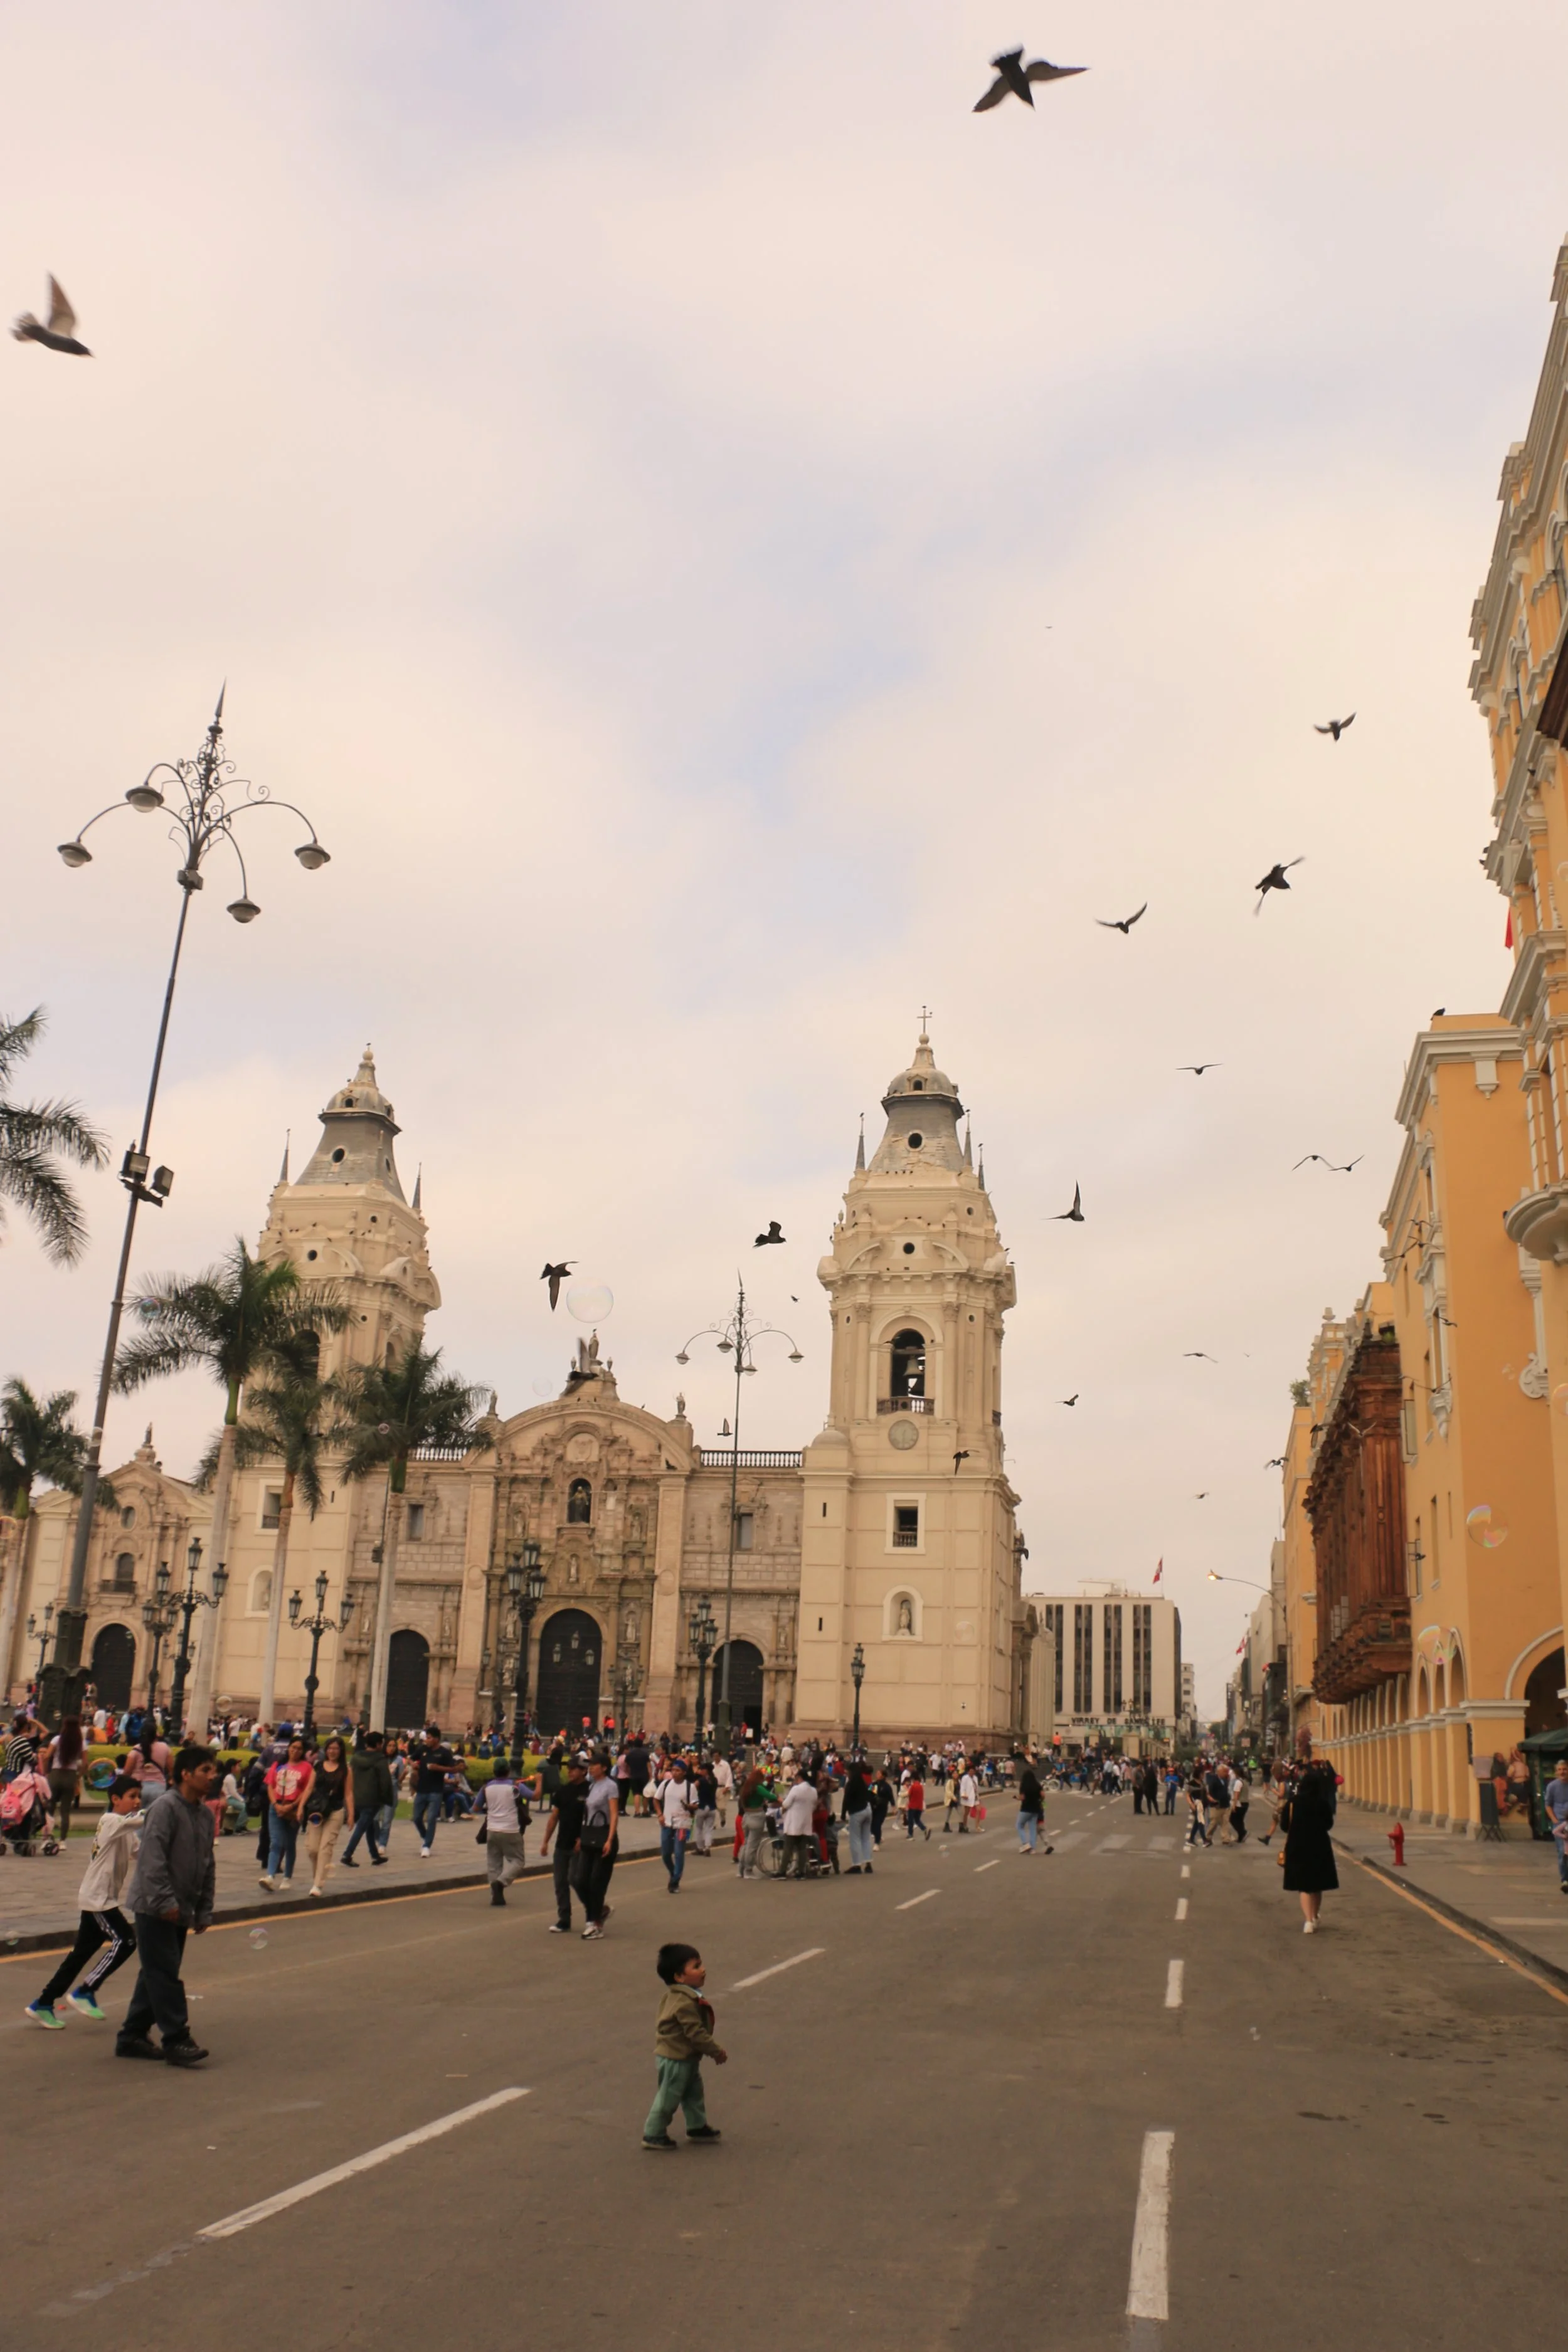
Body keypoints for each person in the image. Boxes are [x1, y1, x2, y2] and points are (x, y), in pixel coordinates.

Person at [117, 1745, 218, 2066]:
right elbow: (152, 1860)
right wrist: (164, 1901)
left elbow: (207, 1863)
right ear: (185, 1774)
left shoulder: (203, 1813)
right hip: (155, 1906)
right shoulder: (165, 1808)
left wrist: (203, 1908)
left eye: (213, 1770)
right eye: (205, 1770)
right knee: (164, 1974)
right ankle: (176, 2038)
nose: (212, 1776)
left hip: (181, 1907)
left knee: (158, 1972)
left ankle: (132, 2035)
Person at [25, 1774, 144, 2029]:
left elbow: (141, 1853)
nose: (137, 1801)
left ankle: (43, 2003)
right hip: (99, 1900)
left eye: (138, 1797)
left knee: (79, 1955)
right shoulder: (110, 1820)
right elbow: (137, 1822)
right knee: (127, 1941)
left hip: (98, 1897)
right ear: (115, 1799)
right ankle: (86, 1990)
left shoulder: (126, 1830)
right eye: (132, 1797)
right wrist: (161, 1813)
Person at [643, 1942, 726, 2151]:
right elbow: (695, 2033)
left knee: (693, 2093)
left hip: (686, 2057)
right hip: (676, 2060)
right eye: (696, 1966)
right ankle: (653, 2133)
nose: (703, 1969)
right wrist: (716, 2051)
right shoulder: (684, 2002)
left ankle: (697, 2126)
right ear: (679, 1977)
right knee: (668, 2097)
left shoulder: (681, 1995)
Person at [1280, 1736, 1338, 1933]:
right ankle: (1315, 1916)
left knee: (1304, 1885)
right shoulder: (1322, 1803)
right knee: (1317, 1884)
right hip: (1319, 1845)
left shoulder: (1293, 1803)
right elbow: (1329, 1824)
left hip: (1298, 1845)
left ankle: (1307, 1921)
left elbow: (1284, 1826)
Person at [540, 1752, 590, 1932]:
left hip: (580, 1845)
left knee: (576, 1880)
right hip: (562, 1844)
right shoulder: (563, 1791)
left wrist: (583, 1838)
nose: (569, 1772)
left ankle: (594, 1910)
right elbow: (554, 1817)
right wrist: (546, 1841)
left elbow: (593, 1819)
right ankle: (564, 1919)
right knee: (560, 1882)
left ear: (584, 1771)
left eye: (573, 1769)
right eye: (568, 1768)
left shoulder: (590, 1791)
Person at [574, 1749, 620, 1937]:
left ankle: (595, 1924)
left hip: (604, 1838)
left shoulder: (611, 1786)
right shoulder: (592, 1786)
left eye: (594, 1765)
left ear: (604, 1767)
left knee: (596, 1882)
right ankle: (599, 1910)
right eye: (590, 1765)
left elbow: (614, 1814)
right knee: (580, 1880)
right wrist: (580, 1837)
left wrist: (610, 1840)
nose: (590, 1768)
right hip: (589, 1837)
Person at [259, 1735, 314, 1891]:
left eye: (299, 1749)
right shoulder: (279, 1765)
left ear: (303, 1751)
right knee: (275, 1842)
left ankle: (287, 1877)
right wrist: (275, 1804)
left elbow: (306, 1790)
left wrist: (293, 1806)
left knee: (290, 1844)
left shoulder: (307, 1768)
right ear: (289, 1748)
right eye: (293, 1747)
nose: (295, 1751)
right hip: (276, 1807)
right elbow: (270, 1786)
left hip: (293, 1809)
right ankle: (270, 1876)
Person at [304, 1734, 352, 1897]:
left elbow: (348, 1794)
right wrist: (300, 1808)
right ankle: (318, 1876)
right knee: (312, 1849)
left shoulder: (345, 1769)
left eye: (336, 1749)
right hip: (317, 1812)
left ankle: (318, 1884)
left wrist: (351, 1814)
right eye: (330, 1748)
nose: (333, 1751)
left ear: (341, 1751)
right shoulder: (318, 1766)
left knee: (326, 1848)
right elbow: (310, 1788)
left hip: (335, 1812)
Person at [481, 1754, 528, 1905]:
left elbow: (475, 1807)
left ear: (494, 1771)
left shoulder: (487, 1787)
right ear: (508, 1771)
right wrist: (540, 1782)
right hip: (511, 1829)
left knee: (494, 1864)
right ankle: (501, 1882)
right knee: (518, 1861)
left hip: (492, 1829)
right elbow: (535, 1796)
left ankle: (495, 1896)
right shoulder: (515, 1786)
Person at [412, 1726, 457, 1856]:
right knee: (417, 1818)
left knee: (431, 1818)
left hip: (436, 1791)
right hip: (422, 1789)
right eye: (426, 1737)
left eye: (429, 1738)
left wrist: (438, 1768)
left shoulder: (444, 1753)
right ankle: (426, 1836)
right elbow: (411, 1758)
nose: (427, 1740)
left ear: (436, 1739)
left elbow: (453, 1769)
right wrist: (413, 1764)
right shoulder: (423, 1749)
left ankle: (427, 1845)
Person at [45, 1715, 86, 1843]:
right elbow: (85, 1763)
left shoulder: (57, 1739)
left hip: (56, 1774)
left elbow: (47, 1756)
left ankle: (47, 1837)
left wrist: (47, 1772)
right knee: (65, 1810)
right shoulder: (81, 1742)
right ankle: (62, 1840)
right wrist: (79, 1776)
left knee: (50, 1807)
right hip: (70, 1776)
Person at [659, 1759, 694, 1894]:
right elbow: (656, 1799)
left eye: (678, 1771)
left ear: (684, 1773)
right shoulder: (666, 1784)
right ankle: (674, 1872)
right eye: (673, 1770)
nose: (675, 1773)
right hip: (667, 1823)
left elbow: (696, 1804)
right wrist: (659, 1814)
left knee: (679, 1853)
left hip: (682, 1824)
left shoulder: (689, 1787)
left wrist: (690, 1806)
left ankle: (675, 1881)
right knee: (666, 1854)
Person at [779, 1766, 817, 1877]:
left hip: (794, 1823)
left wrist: (782, 1809)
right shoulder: (813, 1791)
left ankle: (782, 1871)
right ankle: (801, 1872)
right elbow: (814, 1806)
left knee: (788, 1848)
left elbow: (786, 1804)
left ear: (799, 1778)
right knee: (802, 1848)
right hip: (806, 1822)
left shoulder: (796, 1789)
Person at [736, 1761, 770, 1880]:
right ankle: (748, 1870)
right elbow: (771, 1796)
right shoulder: (758, 1788)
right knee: (753, 1845)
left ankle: (741, 1869)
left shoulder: (745, 1787)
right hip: (757, 1816)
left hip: (746, 1816)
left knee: (745, 1844)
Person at [843, 1761, 874, 1873]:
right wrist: (872, 1802)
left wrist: (843, 1814)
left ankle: (856, 1865)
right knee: (866, 1838)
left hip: (857, 1812)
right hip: (868, 1809)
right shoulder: (864, 1780)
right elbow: (872, 1791)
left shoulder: (851, 1783)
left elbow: (846, 1800)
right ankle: (868, 1863)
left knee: (854, 1839)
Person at [1542, 1758, 1568, 1892]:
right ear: (1556, 1772)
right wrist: (1554, 1819)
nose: (1562, 1772)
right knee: (1562, 1853)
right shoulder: (1552, 1786)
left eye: (1564, 1769)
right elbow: (1548, 1805)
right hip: (1560, 1824)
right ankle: (1564, 1880)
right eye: (1559, 1770)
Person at [1016, 1760, 1052, 1854]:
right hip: (1036, 1809)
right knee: (1032, 1828)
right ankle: (1032, 1849)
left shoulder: (1024, 1785)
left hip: (1026, 1808)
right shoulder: (1037, 1784)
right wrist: (1040, 1800)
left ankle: (1025, 1843)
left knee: (1020, 1825)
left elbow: (1022, 1797)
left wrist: (1017, 1798)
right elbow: (1043, 1795)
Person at [691, 1757, 718, 1856]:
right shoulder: (715, 1780)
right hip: (712, 1807)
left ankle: (700, 1848)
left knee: (699, 1828)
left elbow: (692, 1788)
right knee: (709, 1829)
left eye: (701, 1770)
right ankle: (707, 1847)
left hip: (702, 1806)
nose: (700, 1771)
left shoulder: (701, 1781)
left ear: (706, 1770)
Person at [905, 1769, 930, 1840]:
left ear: (913, 1779)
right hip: (919, 1806)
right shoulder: (920, 1786)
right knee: (917, 1820)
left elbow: (909, 1795)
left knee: (911, 1821)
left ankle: (910, 1834)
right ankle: (924, 1829)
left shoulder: (913, 1786)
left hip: (912, 1805)